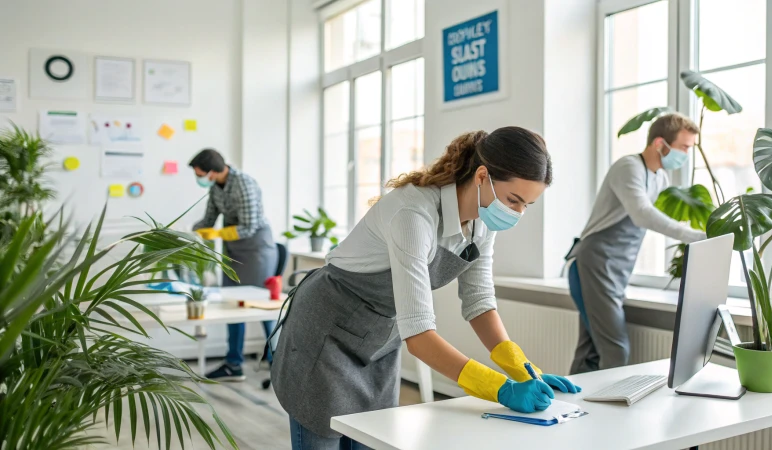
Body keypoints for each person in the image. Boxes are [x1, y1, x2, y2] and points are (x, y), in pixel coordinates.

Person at [271, 127, 581, 449]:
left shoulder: (483, 223)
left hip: (377, 339)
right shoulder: (413, 213)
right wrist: (499, 388)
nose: (516, 213)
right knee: (322, 437)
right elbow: (419, 335)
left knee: (369, 438)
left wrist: (521, 368)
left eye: (526, 205)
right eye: (513, 200)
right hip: (325, 334)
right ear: (482, 176)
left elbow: (479, 301)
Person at [567, 113, 707, 374]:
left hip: (615, 270)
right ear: (660, 144)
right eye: (684, 147)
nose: (686, 154)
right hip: (595, 262)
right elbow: (642, 214)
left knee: (590, 351)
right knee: (615, 350)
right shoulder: (628, 167)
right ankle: (607, 413)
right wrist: (694, 236)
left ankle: (574, 410)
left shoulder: (659, 178)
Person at [189, 148, 279, 381]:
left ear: (212, 170)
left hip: (256, 250)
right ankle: (233, 363)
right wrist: (191, 232)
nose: (199, 179)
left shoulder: (244, 184)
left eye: (200, 174)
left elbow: (249, 226)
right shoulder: (216, 189)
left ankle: (277, 363)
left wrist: (219, 232)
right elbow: (208, 219)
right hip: (235, 251)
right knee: (233, 305)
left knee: (261, 306)